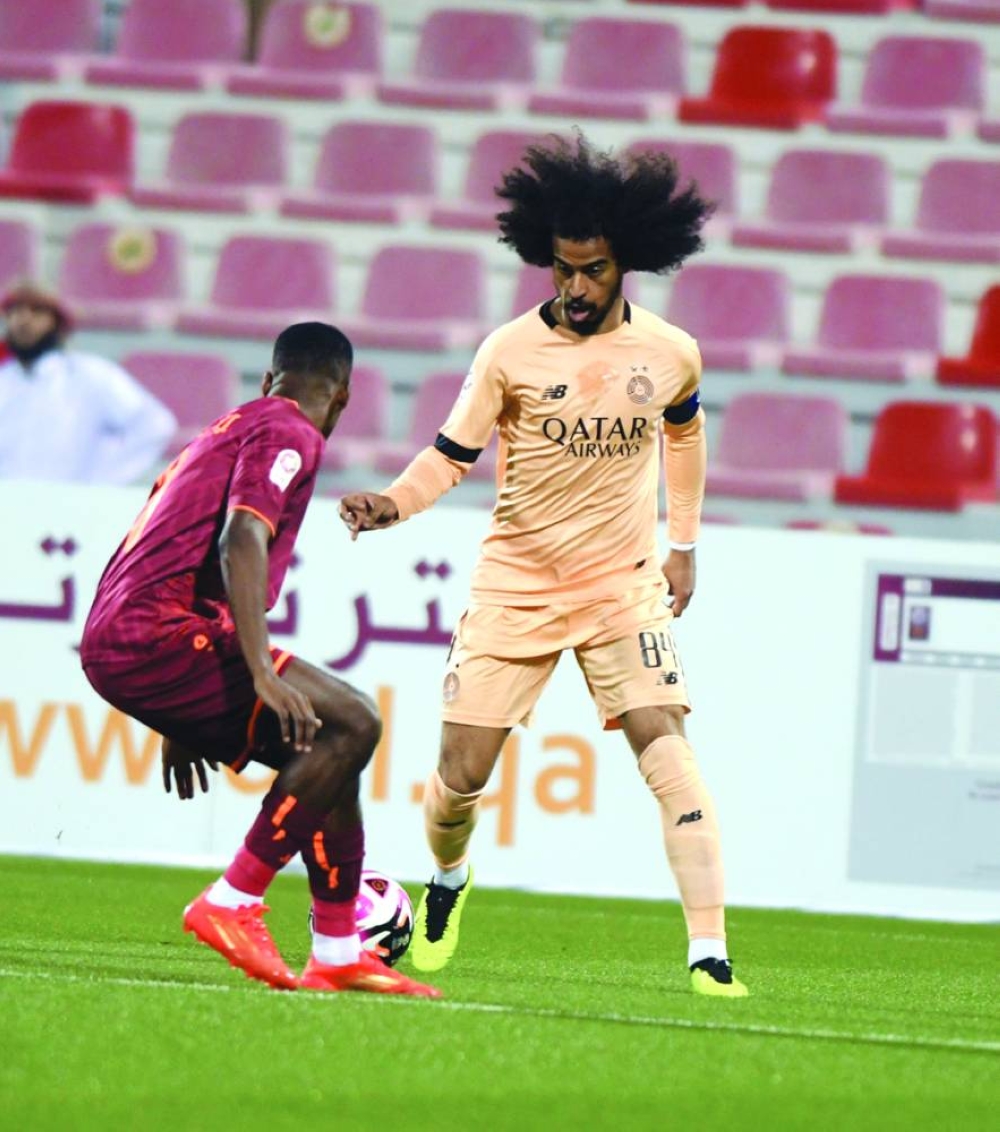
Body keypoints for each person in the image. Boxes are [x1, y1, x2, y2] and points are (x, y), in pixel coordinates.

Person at [340, 135, 748, 998]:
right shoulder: (507, 352)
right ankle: (448, 879)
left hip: (620, 587)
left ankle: (709, 953)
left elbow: (685, 438)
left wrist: (684, 546)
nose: (573, 287)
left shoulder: (670, 353)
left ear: (626, 265)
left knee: (667, 748)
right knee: (460, 778)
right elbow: (450, 455)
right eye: (561, 269)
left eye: (592, 270)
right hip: (515, 587)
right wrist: (395, 503)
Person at [81, 321, 439, 998]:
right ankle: (233, 899)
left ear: (270, 377)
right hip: (152, 632)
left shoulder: (227, 428)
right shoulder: (290, 430)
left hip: (129, 631)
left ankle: (336, 949)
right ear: (341, 399)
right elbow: (240, 540)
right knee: (356, 720)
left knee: (332, 754)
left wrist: (179, 716)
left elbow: (185, 557)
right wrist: (261, 672)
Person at [0, 280, 176, 484]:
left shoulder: (91, 375)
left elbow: (155, 424)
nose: (24, 320)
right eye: (15, 311)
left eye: (37, 311)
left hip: (69, 505)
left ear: (57, 323)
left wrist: (100, 482)